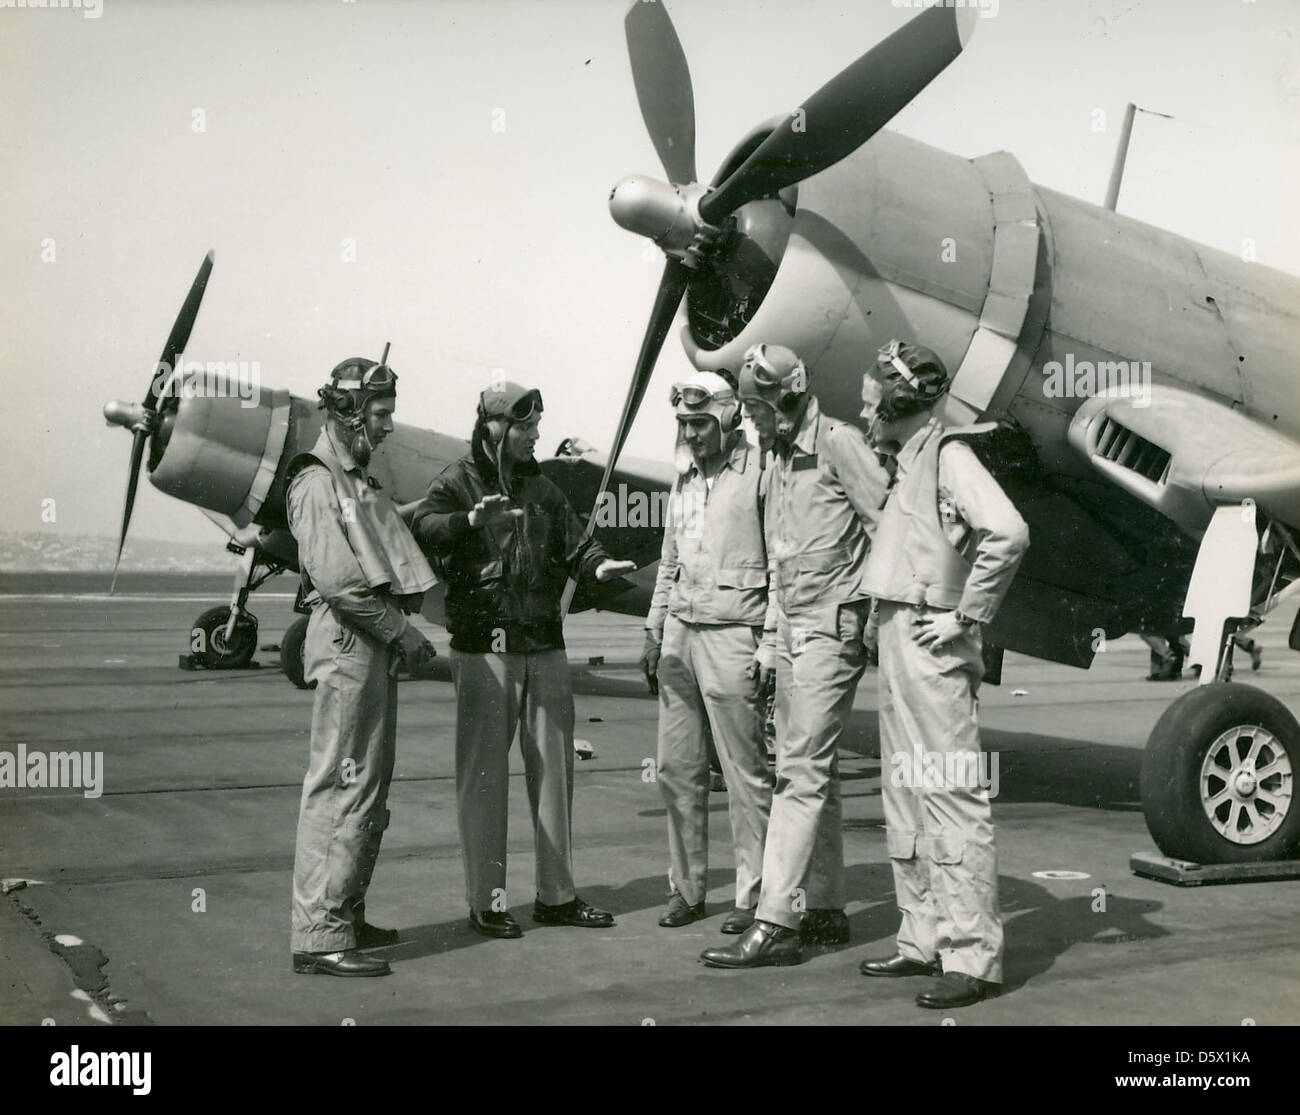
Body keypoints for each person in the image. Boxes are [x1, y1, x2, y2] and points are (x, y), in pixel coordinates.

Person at [410, 381, 636, 939]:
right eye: (526, 427)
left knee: (556, 776)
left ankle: (557, 896)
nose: (536, 435)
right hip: (485, 651)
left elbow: (576, 543)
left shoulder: (543, 487)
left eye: (537, 425)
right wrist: (470, 522)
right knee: (484, 779)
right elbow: (421, 527)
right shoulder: (456, 482)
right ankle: (487, 901)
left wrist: (597, 566)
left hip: (545, 646)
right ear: (494, 428)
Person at [701, 344, 890, 969]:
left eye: (755, 407)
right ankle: (827, 906)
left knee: (799, 771)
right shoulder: (778, 455)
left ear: (787, 395)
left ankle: (778, 919)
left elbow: (888, 526)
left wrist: (866, 613)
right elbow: (784, 557)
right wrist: (770, 642)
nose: (748, 421)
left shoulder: (838, 443)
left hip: (832, 629)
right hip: (792, 630)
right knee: (817, 769)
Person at [857, 339, 1029, 1009]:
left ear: (902, 403)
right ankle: (921, 937)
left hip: (932, 643)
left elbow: (1007, 533)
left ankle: (973, 957)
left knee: (952, 793)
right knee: (906, 792)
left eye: (875, 402)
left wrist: (966, 614)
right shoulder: (909, 461)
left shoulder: (950, 457)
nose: (867, 412)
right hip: (901, 640)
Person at [286, 350, 437, 977]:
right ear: (348, 414)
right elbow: (342, 585)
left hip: (366, 645)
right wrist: (402, 634)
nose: (388, 426)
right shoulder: (316, 481)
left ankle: (343, 912)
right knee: (340, 786)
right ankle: (320, 935)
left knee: (366, 785)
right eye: (379, 413)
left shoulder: (354, 481)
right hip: (352, 643)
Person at [638, 372, 775, 934]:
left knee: (745, 773)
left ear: (726, 418)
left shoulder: (761, 474)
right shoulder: (685, 479)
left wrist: (769, 643)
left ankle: (756, 895)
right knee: (677, 769)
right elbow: (669, 560)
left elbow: (783, 569)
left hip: (734, 636)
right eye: (683, 425)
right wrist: (653, 629)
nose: (690, 435)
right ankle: (687, 890)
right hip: (681, 637)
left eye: (699, 423)